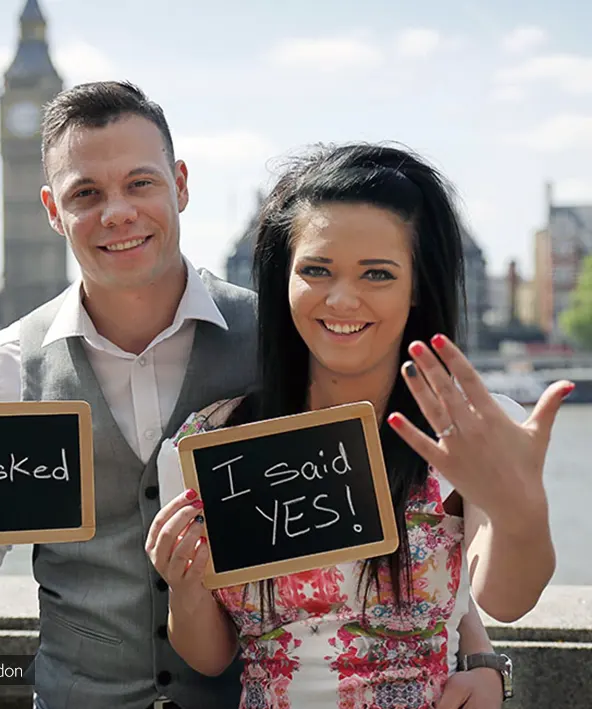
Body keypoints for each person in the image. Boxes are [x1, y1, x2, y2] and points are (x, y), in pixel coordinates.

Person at [0, 82, 511, 709]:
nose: (117, 211)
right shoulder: (6, 368)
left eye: (139, 182)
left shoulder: (283, 337)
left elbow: (412, 506)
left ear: (181, 183)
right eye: (85, 192)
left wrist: (479, 655)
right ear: (53, 210)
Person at [146, 142, 572, 708]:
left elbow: (506, 597)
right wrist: (185, 587)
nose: (342, 299)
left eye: (377, 274)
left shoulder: (469, 430)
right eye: (316, 270)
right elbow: (211, 654)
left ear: (417, 284)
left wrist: (522, 512)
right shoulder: (210, 445)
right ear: (283, 281)